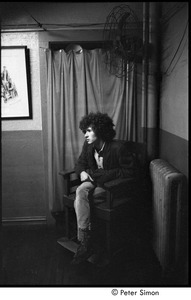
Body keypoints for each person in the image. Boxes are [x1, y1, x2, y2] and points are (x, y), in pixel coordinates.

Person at [72, 111, 138, 264]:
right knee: (81, 191)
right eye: (84, 131)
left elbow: (129, 172)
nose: (85, 135)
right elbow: (80, 163)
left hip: (110, 187)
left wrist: (105, 175)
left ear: (100, 130)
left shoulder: (118, 148)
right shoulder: (88, 146)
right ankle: (86, 241)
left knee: (82, 199)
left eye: (89, 131)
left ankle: (86, 242)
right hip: (95, 182)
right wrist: (82, 172)